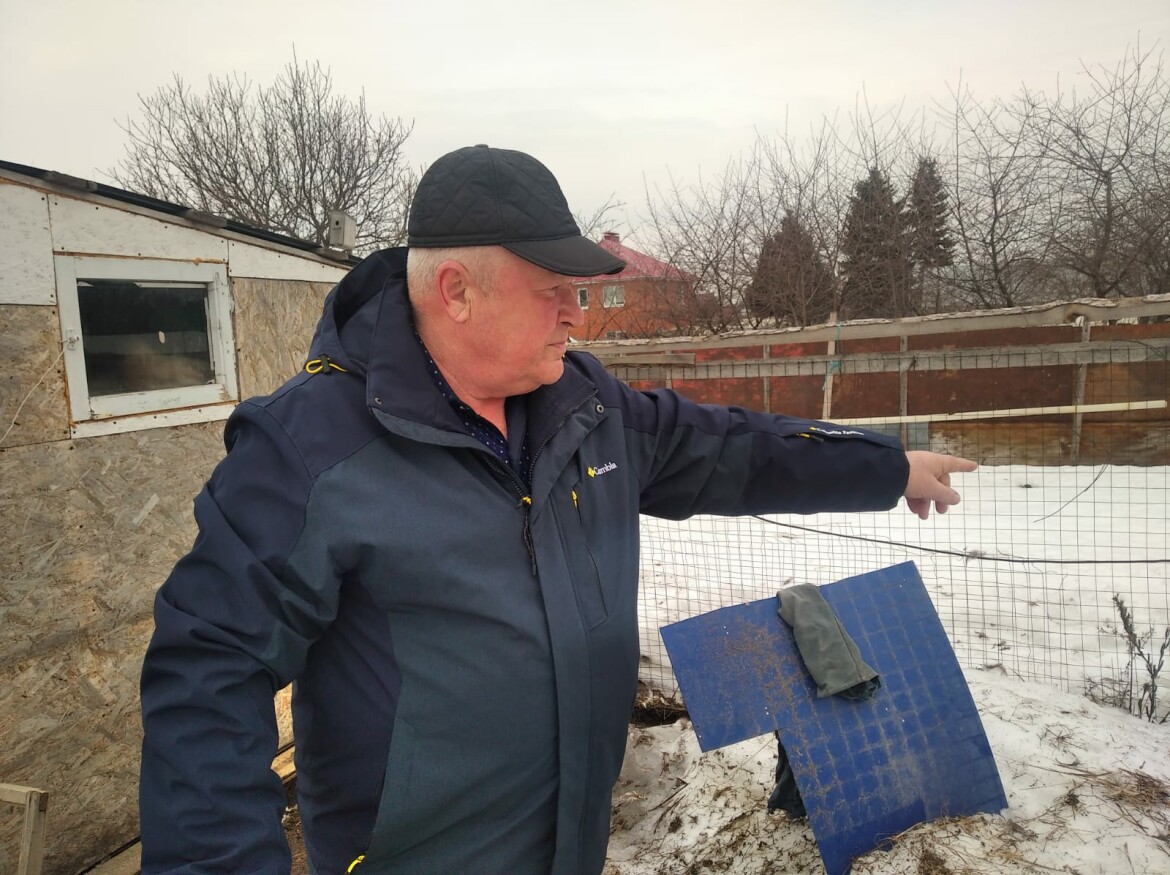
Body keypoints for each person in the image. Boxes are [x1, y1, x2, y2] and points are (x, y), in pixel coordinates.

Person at [139, 144, 976, 874]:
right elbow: (209, 667)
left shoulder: (584, 408)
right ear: (457, 291)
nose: (578, 314)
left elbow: (731, 451)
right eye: (553, 290)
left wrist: (887, 466)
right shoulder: (310, 449)